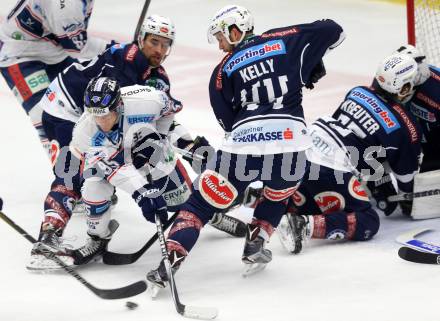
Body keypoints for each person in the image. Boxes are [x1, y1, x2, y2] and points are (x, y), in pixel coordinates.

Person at [146, 4, 345, 288]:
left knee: (200, 205)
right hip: (292, 149)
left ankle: (170, 261)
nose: (219, 46)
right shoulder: (286, 38)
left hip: (242, 150)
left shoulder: (222, 69)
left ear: (235, 30)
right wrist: (309, 63)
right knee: (277, 195)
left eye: (220, 37)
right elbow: (333, 30)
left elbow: (228, 122)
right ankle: (256, 243)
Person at [0, 0, 114, 157]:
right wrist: (117, 49)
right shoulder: (66, 4)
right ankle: (65, 173)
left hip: (54, 52)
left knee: (85, 106)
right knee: (44, 116)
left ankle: (99, 162)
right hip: (20, 54)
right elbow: (78, 47)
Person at [245, 164, 379, 254]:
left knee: (309, 204)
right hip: (328, 165)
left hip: (297, 159)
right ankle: (302, 225)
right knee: (369, 221)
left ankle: (260, 197)